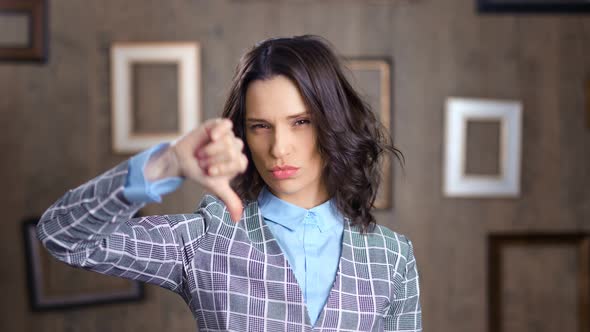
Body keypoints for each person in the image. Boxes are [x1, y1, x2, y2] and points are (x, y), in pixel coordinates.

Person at [37, 35, 422, 331]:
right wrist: (167, 164)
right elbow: (64, 238)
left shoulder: (392, 256)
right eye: (261, 127)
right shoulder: (208, 238)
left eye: (300, 122)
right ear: (243, 134)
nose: (279, 148)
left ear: (333, 123)